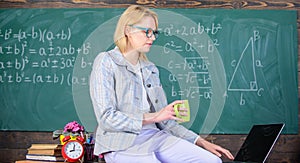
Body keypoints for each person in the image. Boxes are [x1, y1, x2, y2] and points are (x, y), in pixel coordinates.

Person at [89, 5, 234, 163]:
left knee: (212, 161)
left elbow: (166, 121)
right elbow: (107, 118)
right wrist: (154, 117)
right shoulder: (106, 61)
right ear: (127, 30)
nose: (152, 38)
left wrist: (200, 141)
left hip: (154, 137)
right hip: (120, 144)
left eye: (154, 32)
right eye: (147, 32)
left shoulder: (150, 69)